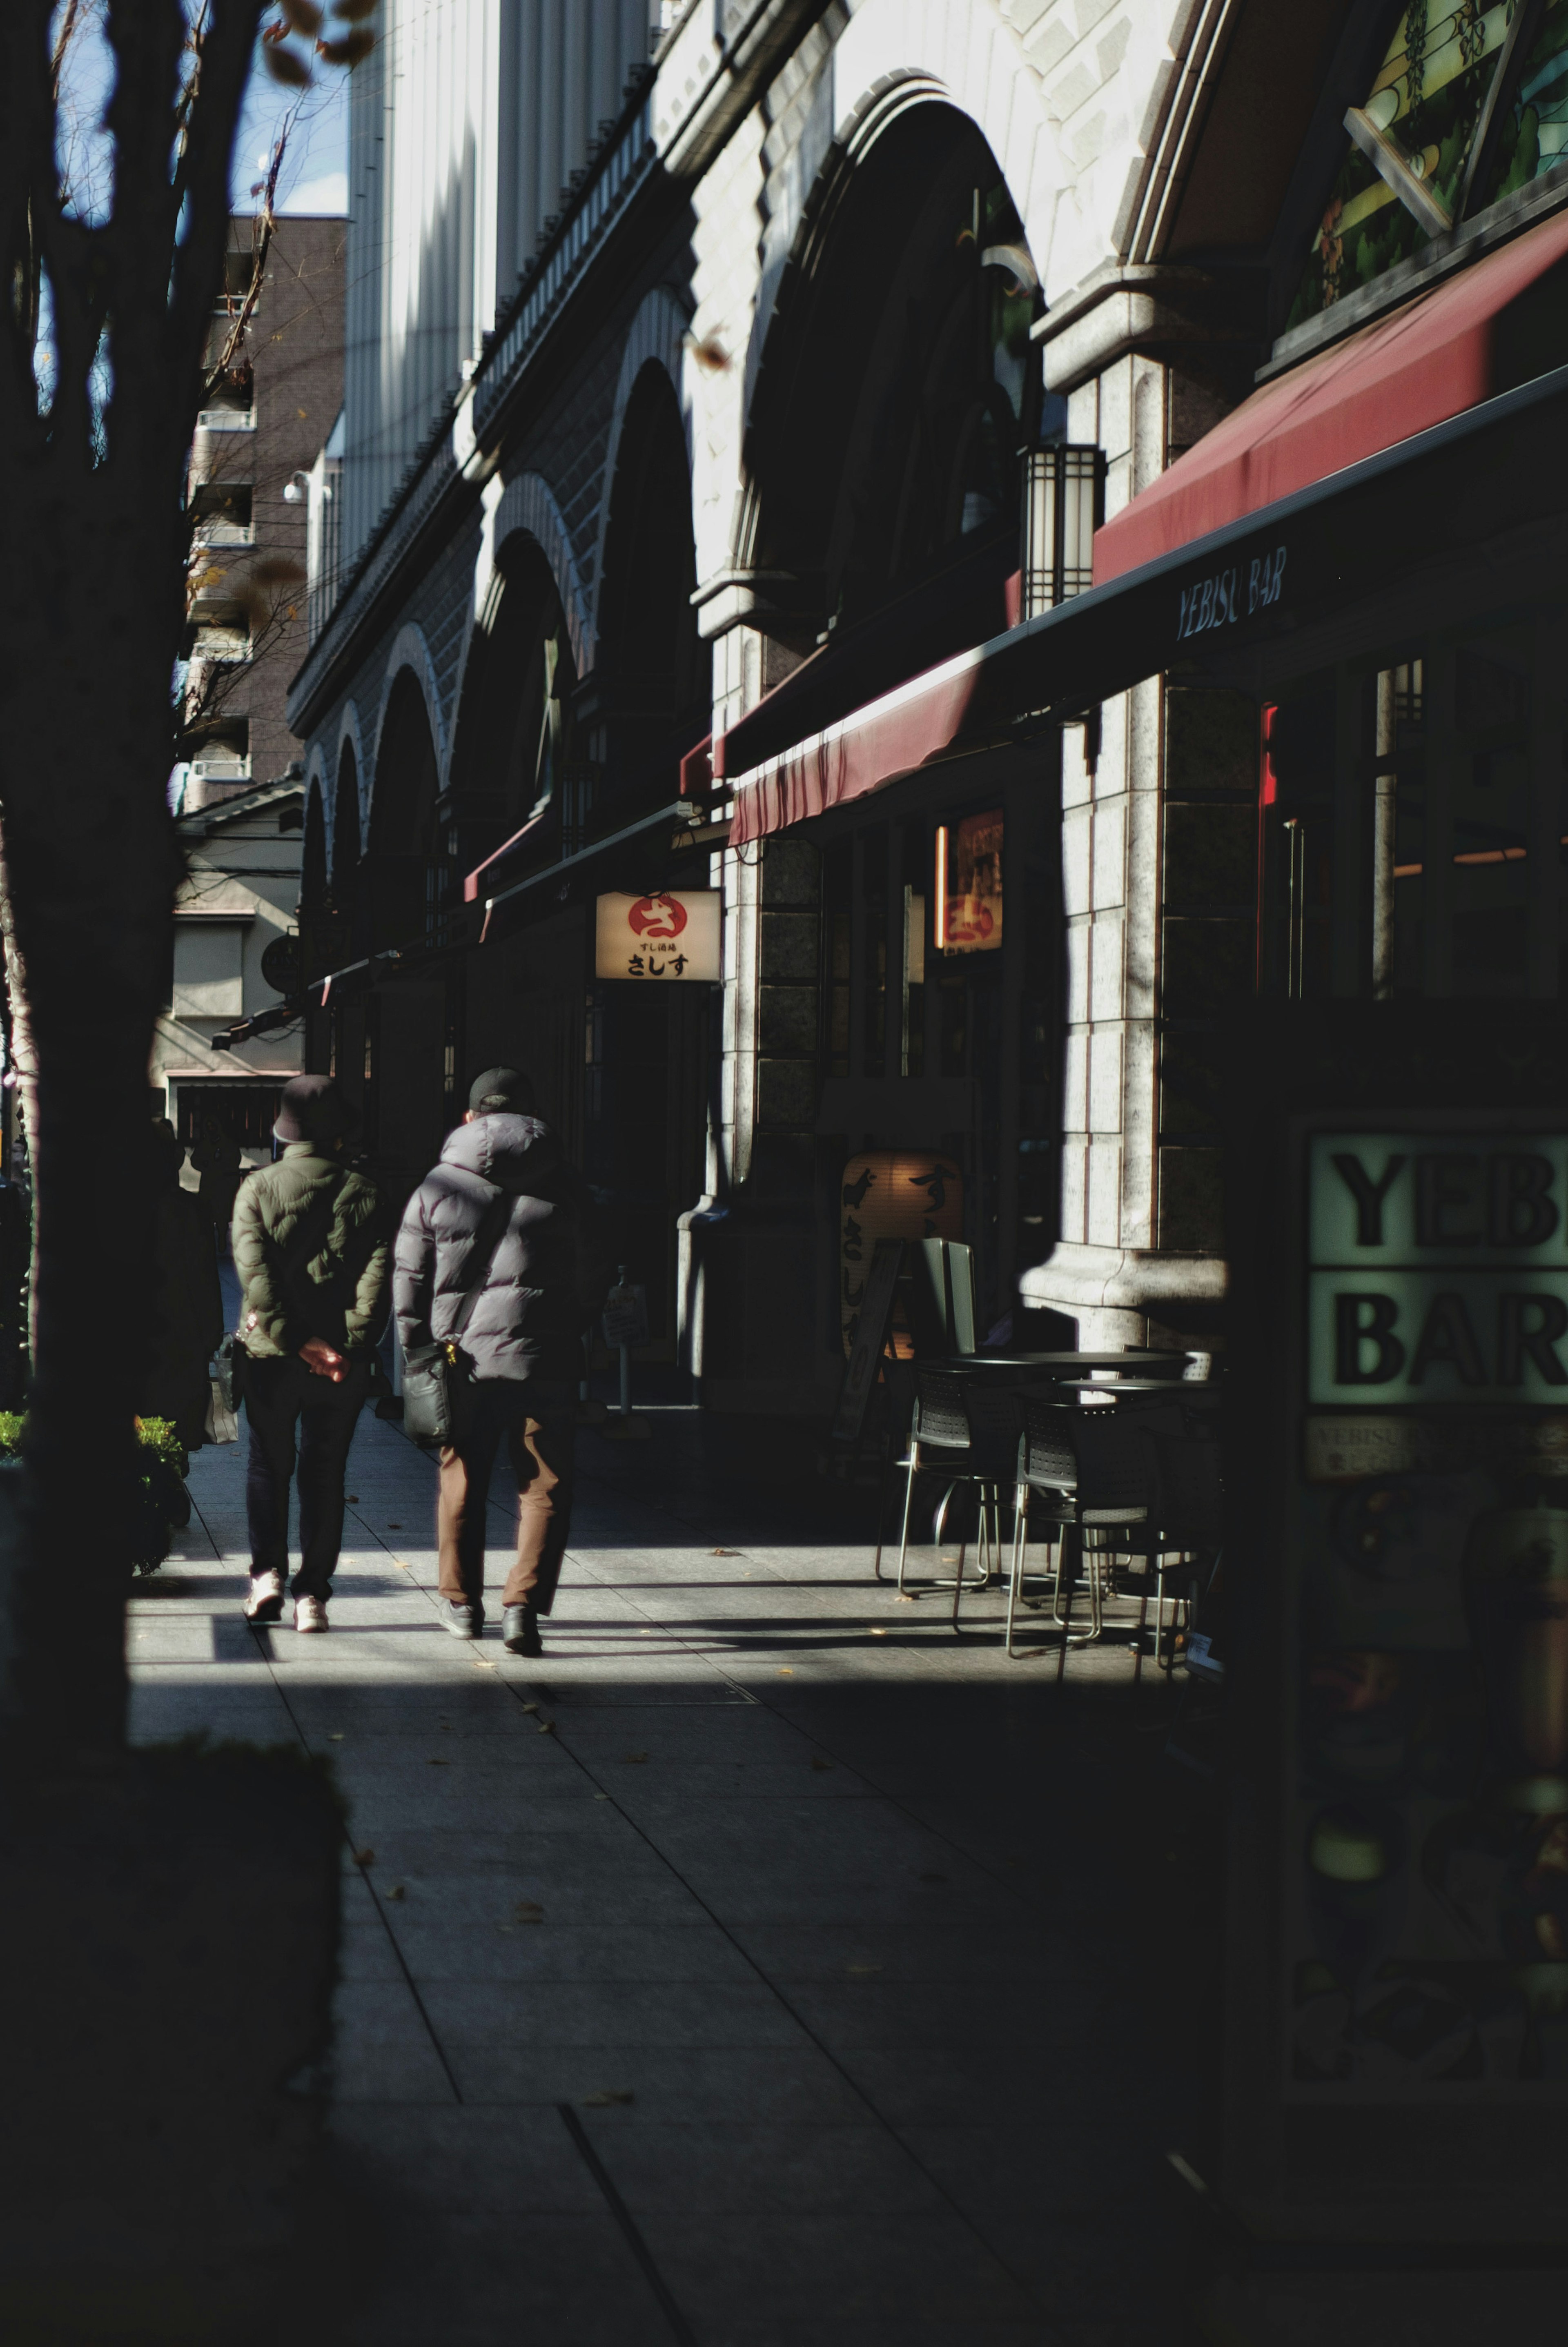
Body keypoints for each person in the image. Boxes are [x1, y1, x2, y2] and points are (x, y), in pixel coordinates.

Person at [394, 1067, 606, 1654]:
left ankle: (461, 1605)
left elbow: (408, 1279)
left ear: (470, 1118)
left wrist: (418, 1352)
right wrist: (567, 1329)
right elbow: (596, 1273)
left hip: (463, 1362)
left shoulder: (437, 1185)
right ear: (531, 1119)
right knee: (545, 1485)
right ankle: (524, 1610)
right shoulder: (569, 1185)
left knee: (462, 1478)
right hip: (548, 1359)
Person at [232, 1074, 389, 1633]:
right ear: (340, 1133)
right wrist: (342, 1346)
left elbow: (256, 1279)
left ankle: (266, 1577)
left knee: (267, 1463)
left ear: (284, 1132)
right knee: (324, 1472)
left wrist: (297, 1341)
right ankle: (313, 1597)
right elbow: (376, 1283)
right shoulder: (366, 1192)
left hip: (270, 1354)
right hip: (338, 1365)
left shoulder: (255, 1188)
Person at [139, 1118, 224, 1449]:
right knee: (176, 1431)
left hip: (131, 1339)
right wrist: (212, 1333)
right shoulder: (189, 1211)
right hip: (181, 1336)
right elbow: (203, 1279)